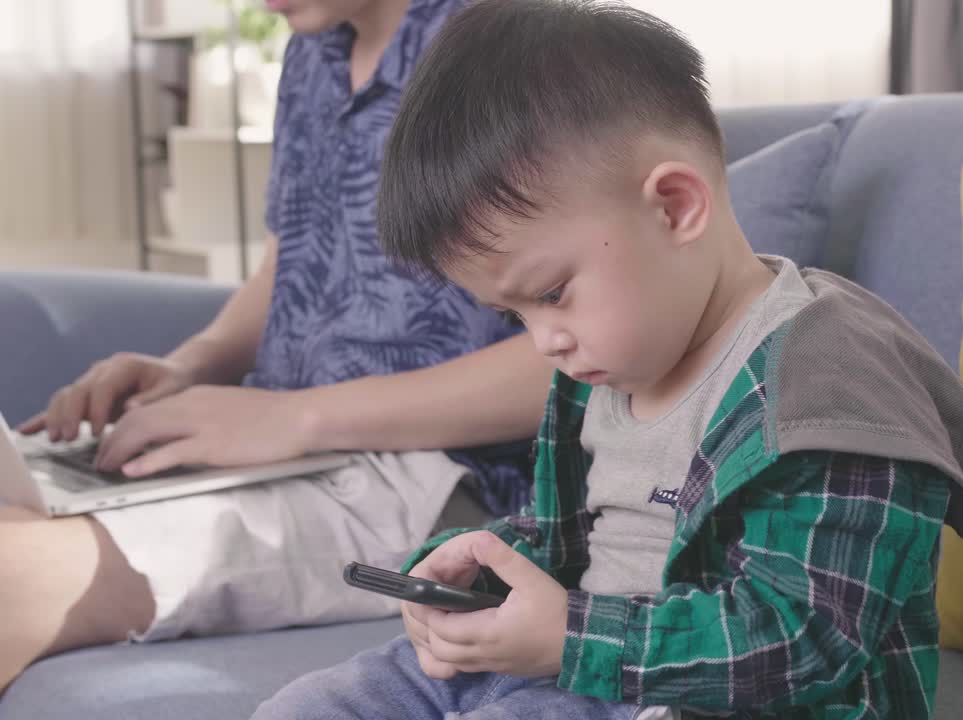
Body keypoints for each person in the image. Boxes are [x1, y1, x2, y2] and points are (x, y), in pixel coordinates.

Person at [253, 1, 963, 718]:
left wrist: (571, 637)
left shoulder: (830, 383)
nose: (543, 337)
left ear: (676, 205)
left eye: (552, 292)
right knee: (308, 707)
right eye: (515, 313)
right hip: (574, 666)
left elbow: (805, 641)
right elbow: (578, 547)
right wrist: (477, 569)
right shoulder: (604, 368)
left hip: (709, 699)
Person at [0, 0, 552, 691]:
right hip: (289, 456)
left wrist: (295, 418)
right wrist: (190, 364)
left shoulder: (510, 45)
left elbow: (573, 354)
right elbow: (288, 266)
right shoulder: (312, 53)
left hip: (441, 481)